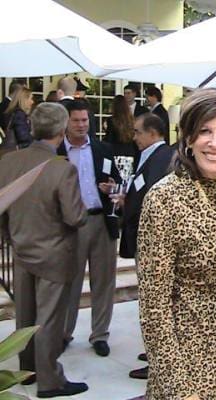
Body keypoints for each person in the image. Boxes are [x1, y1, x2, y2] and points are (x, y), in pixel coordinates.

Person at [137, 88, 216, 399]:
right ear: (188, 138)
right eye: (204, 131)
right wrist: (180, 388)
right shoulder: (165, 199)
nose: (215, 143)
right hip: (185, 372)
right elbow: (153, 307)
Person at [0, 102, 88, 398]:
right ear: (62, 129)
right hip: (55, 254)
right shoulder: (62, 168)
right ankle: (50, 381)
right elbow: (75, 217)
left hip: (20, 249)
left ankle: (26, 372)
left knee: (24, 317)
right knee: (48, 320)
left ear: (33, 126)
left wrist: (10, 236)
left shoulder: (8, 161)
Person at [57, 100, 120, 358]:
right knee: (69, 282)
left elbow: (117, 183)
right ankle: (63, 333)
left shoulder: (103, 149)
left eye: (85, 120)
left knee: (104, 281)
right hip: (70, 225)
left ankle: (100, 334)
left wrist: (113, 187)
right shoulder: (57, 152)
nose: (82, 125)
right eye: (76, 120)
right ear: (66, 122)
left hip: (101, 221)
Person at [116, 113, 175, 380]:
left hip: (153, 241)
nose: (134, 137)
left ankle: (159, 362)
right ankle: (154, 352)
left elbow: (153, 199)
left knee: (156, 303)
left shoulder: (162, 157)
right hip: (142, 238)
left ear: (152, 133)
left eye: (138, 132)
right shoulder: (147, 156)